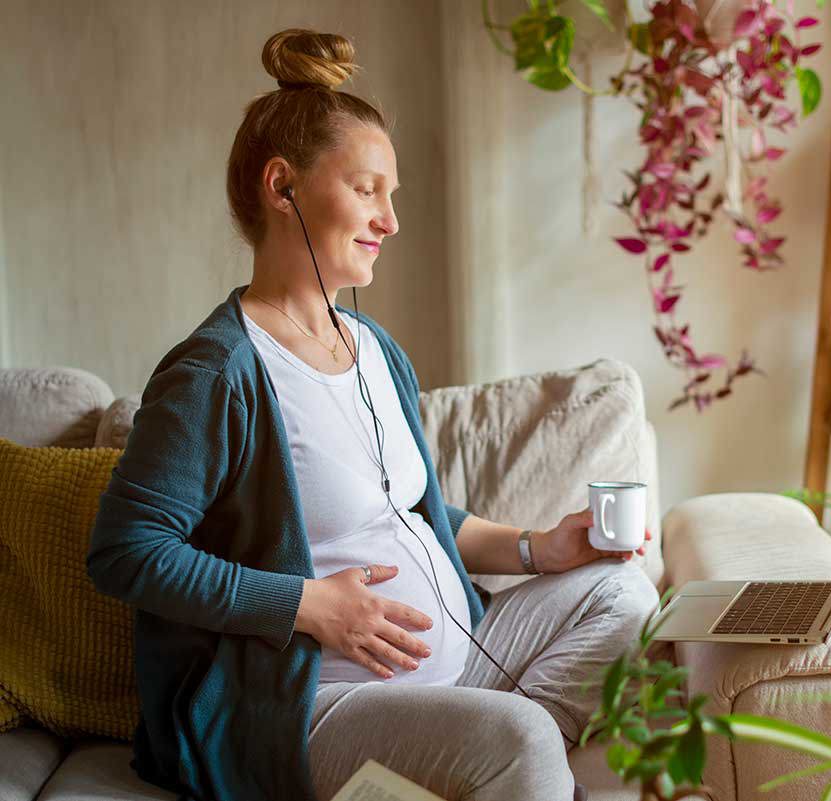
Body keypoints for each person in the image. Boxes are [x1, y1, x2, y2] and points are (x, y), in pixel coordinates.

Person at [86, 27, 661, 801]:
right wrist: (309, 603)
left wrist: (537, 548)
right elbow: (126, 550)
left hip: (463, 654)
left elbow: (412, 511)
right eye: (368, 189)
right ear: (282, 186)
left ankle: (486, 758)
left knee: (625, 593)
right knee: (523, 737)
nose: (390, 220)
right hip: (318, 704)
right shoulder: (217, 370)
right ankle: (506, 754)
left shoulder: (374, 347)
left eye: (393, 195)